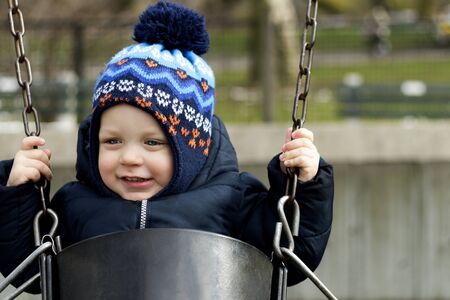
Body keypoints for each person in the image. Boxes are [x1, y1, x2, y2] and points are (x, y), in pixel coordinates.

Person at [0, 0, 334, 293]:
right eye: (112, 141)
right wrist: (17, 192)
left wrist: (305, 185)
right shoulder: (75, 204)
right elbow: (30, 273)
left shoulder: (233, 199)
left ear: (190, 148)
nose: (130, 158)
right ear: (93, 142)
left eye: (153, 142)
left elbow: (293, 255)